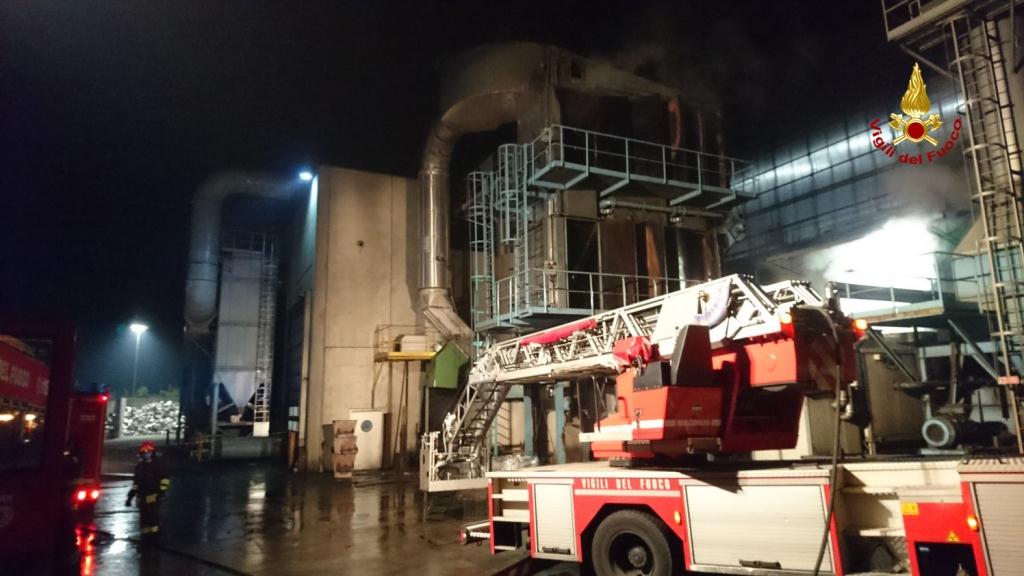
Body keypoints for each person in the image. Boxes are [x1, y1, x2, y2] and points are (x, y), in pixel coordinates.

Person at [125, 441, 169, 547]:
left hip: (153, 495)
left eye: (148, 451)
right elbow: (136, 484)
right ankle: (145, 540)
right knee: (144, 519)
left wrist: (161, 492)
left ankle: (155, 540)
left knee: (153, 518)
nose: (146, 454)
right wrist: (130, 497)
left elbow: (165, 479)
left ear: (152, 452)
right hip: (142, 497)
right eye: (144, 452)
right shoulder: (139, 467)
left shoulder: (158, 464)